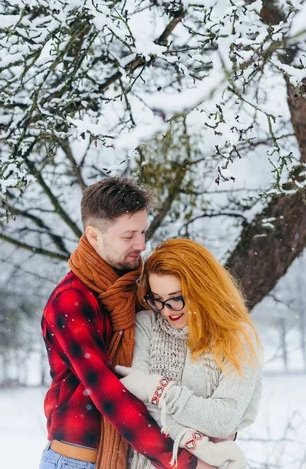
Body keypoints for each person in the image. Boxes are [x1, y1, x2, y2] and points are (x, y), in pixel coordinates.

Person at [40, 177, 204, 469]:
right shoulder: (71, 301)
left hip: (136, 457)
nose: (141, 244)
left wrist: (215, 423)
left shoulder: (137, 290)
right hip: (78, 463)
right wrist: (178, 461)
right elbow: (107, 389)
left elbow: (178, 355)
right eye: (129, 236)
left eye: (143, 231)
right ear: (93, 235)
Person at [116, 238, 263, 469]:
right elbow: (139, 410)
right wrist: (197, 445)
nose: (166, 311)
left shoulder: (238, 338)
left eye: (176, 298)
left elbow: (223, 420)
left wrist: (160, 390)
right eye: (157, 299)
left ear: (201, 288)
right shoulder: (147, 325)